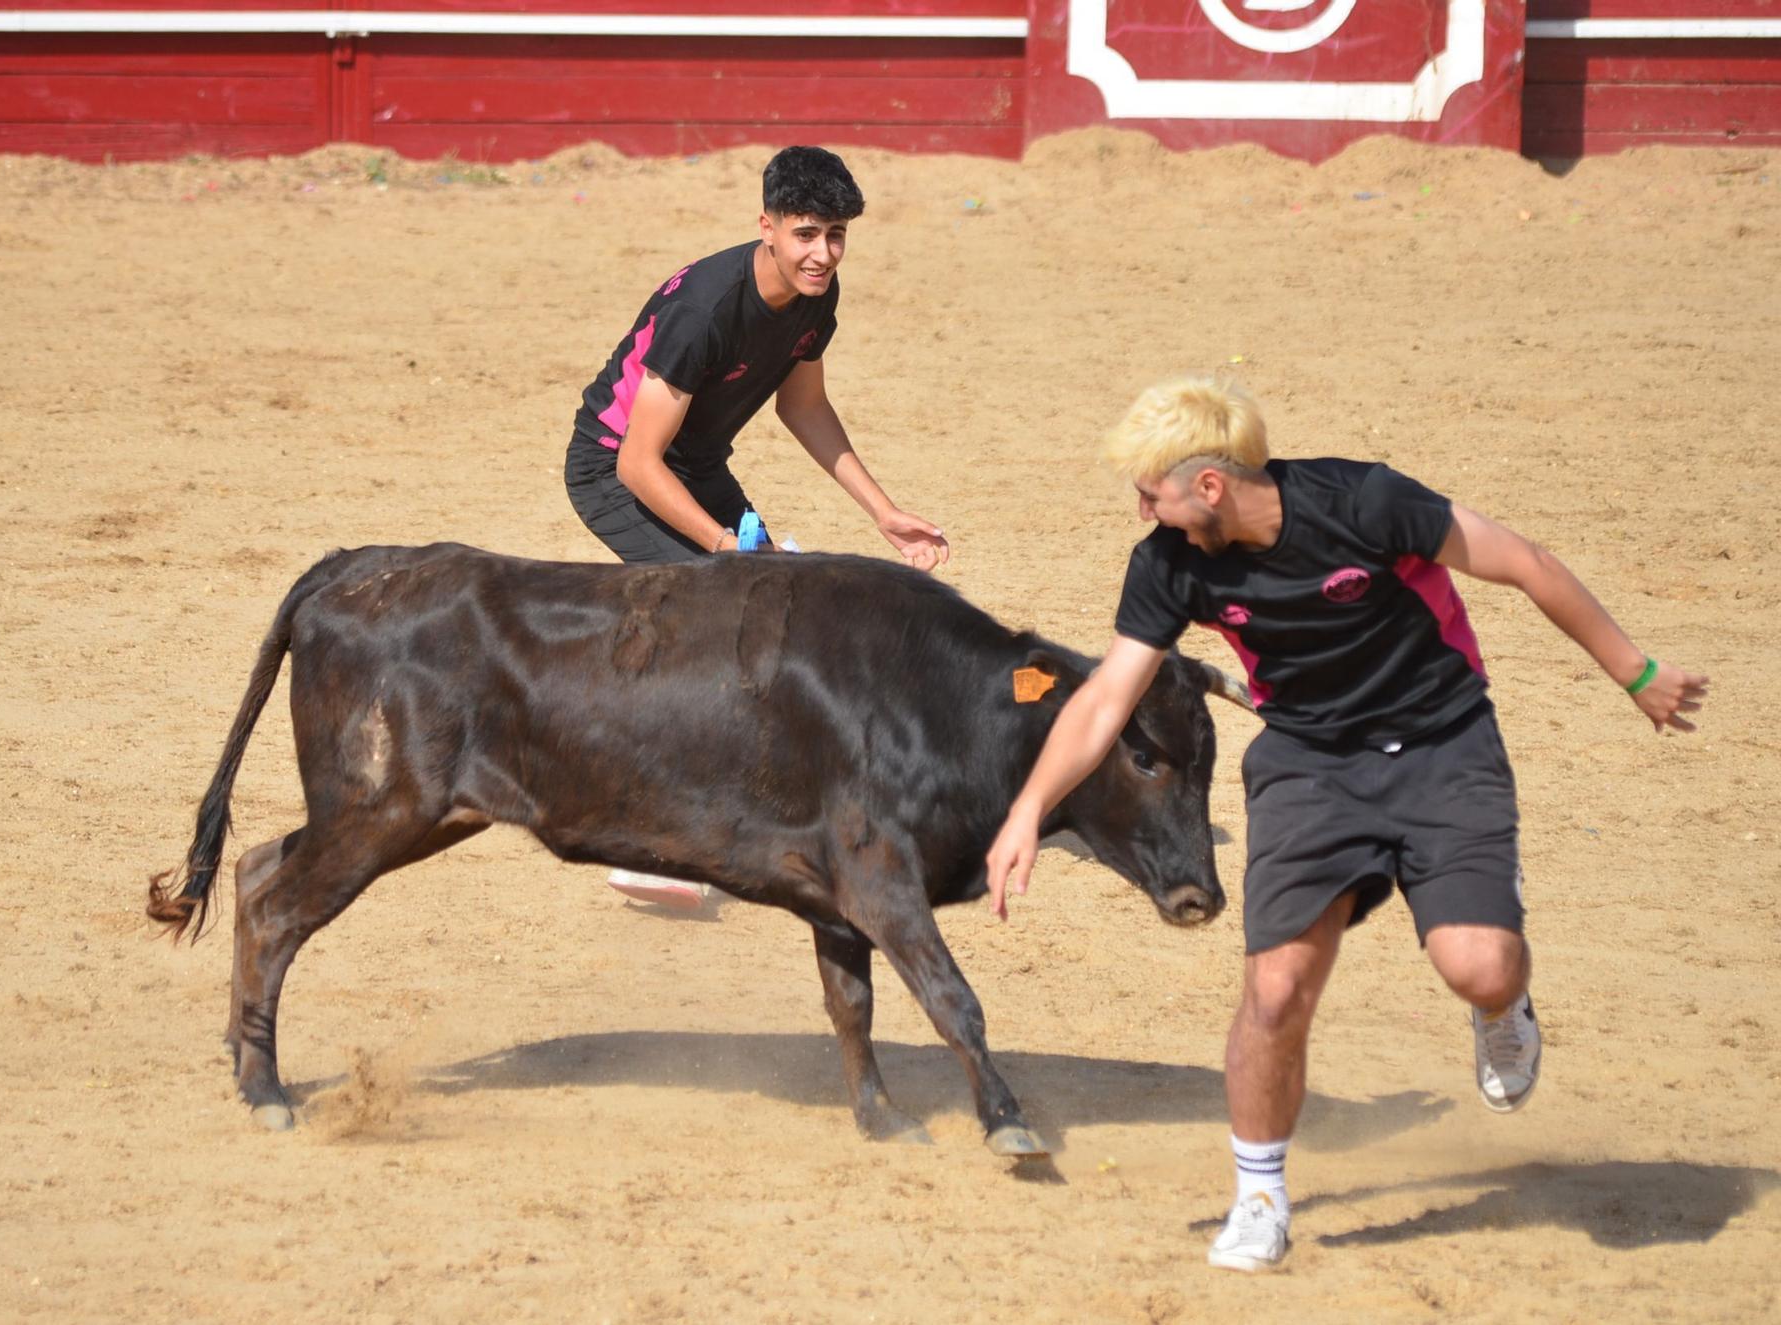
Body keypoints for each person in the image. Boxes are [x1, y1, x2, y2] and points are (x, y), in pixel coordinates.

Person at [982, 376, 1707, 1271]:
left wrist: (1637, 673)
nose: (1143, 508)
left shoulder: (1365, 501)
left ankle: (1502, 1003)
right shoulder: (1169, 564)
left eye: (1151, 491)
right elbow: (1102, 702)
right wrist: (1028, 810)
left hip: (1443, 743)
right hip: (1307, 763)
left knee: (1477, 964)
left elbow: (1526, 563)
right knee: (1277, 989)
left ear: (1209, 486)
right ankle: (1258, 1194)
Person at [565, 144, 950, 912]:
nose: (824, 253)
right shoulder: (703, 310)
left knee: (780, 616)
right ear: (766, 226)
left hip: (697, 463)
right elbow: (640, 463)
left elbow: (801, 405)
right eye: (807, 233)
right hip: (615, 471)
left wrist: (883, 511)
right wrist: (724, 552)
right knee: (722, 621)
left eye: (837, 234)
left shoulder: (817, 297)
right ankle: (650, 850)